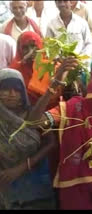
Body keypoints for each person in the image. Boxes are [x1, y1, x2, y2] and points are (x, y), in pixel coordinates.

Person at [28, 59, 92, 210]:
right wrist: (56, 83)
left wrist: (55, 83)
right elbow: (33, 123)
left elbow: (33, 122)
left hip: (84, 193)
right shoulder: (74, 108)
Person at [0, 68, 57, 209]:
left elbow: (51, 143)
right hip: (6, 185)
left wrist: (23, 167)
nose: (12, 94)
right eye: (6, 89)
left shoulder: (34, 114)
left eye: (17, 90)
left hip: (37, 186)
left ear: (22, 92)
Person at [9, 31, 61, 108]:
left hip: (52, 112)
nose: (31, 51)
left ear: (41, 46)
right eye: (25, 48)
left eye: (34, 46)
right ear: (20, 50)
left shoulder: (52, 65)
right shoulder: (15, 70)